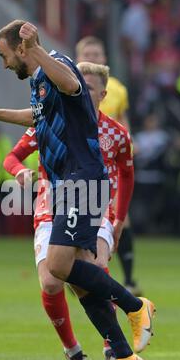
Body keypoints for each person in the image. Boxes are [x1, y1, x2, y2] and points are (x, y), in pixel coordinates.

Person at [0, 20, 155, 360]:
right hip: (64, 185)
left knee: (57, 267)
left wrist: (37, 48)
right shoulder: (40, 81)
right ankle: (124, 356)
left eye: (6, 56)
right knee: (81, 278)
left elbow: (73, 86)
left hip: (82, 179)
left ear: (22, 49)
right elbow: (37, 118)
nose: (5, 65)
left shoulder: (57, 65)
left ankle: (136, 307)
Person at [3, 62, 135, 360]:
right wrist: (19, 170)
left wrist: (118, 220)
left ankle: (114, 348)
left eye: (88, 87)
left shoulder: (116, 133)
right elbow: (12, 156)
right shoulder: (51, 119)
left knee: (92, 270)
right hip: (51, 207)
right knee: (52, 281)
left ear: (103, 95)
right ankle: (74, 351)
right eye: (79, 85)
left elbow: (127, 175)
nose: (81, 91)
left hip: (95, 206)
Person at [75, 36, 141, 296]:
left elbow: (123, 121)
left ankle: (126, 279)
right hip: (80, 167)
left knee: (119, 220)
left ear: (104, 58)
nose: (92, 57)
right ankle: (92, 277)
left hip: (110, 163)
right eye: (87, 53)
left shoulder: (117, 89)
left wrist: (127, 146)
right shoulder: (70, 85)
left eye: (97, 53)